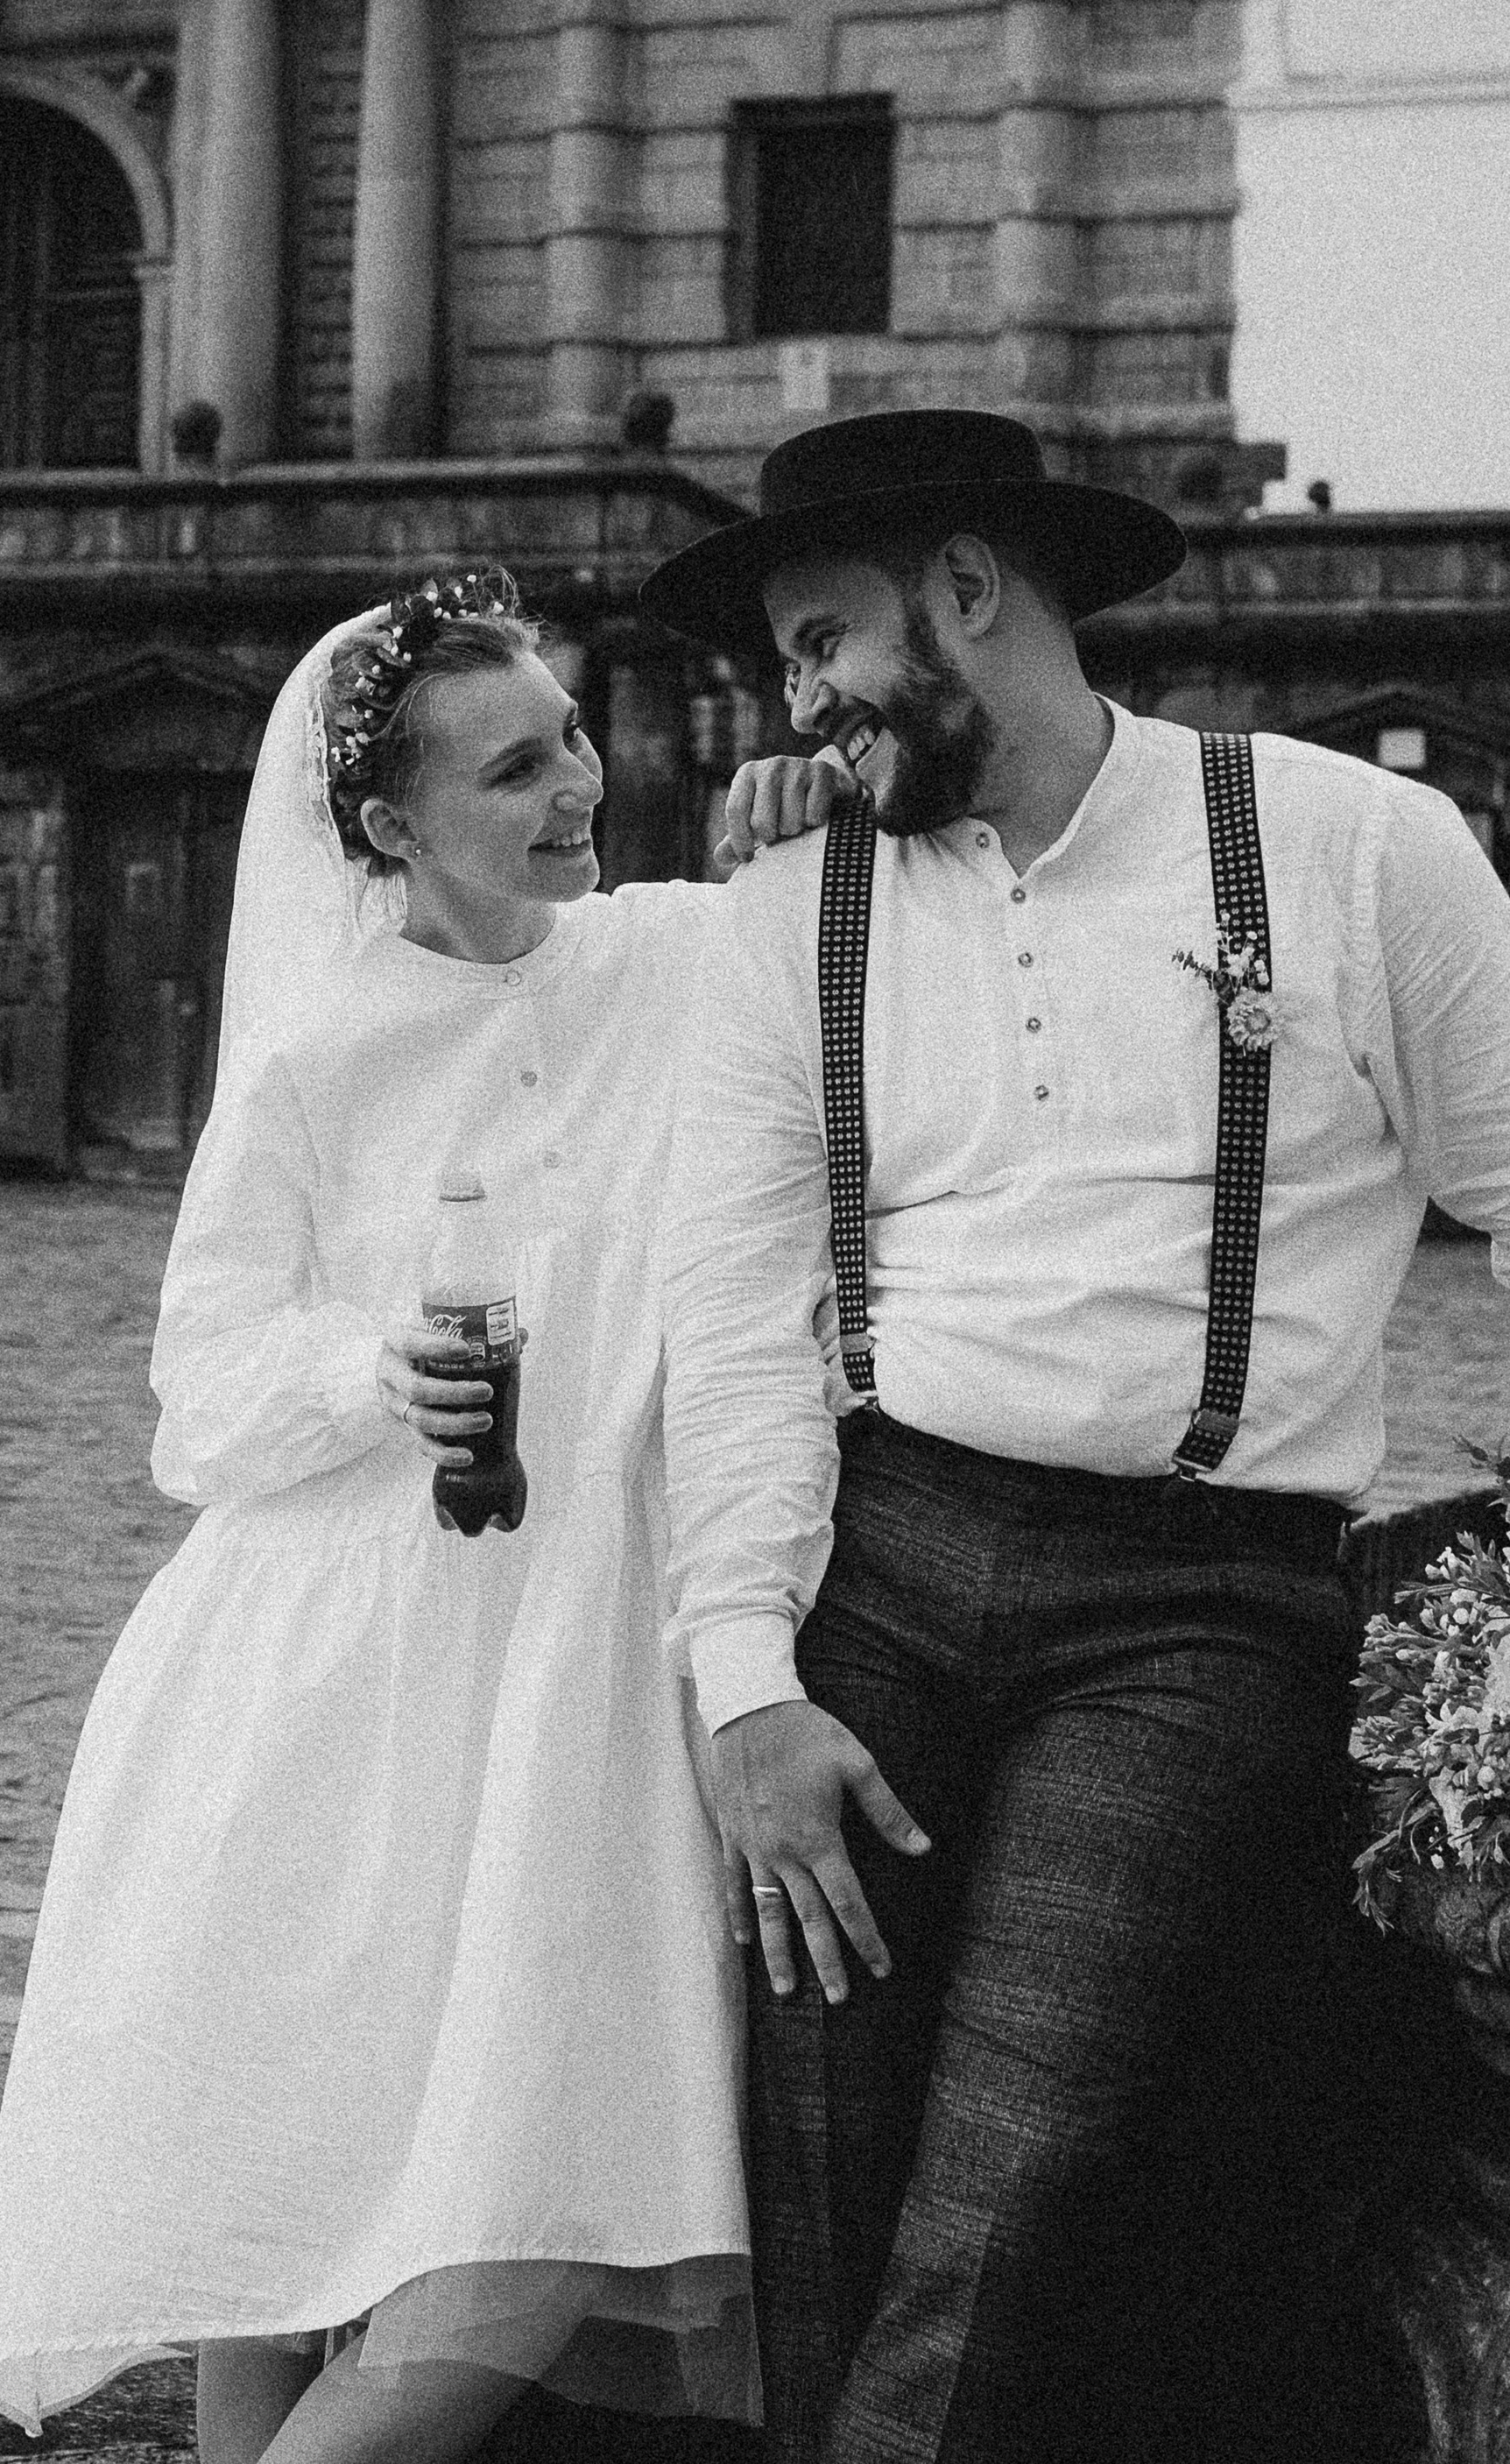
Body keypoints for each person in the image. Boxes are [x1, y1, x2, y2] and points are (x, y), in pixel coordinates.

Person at [640, 407, 1510, 2464]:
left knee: (1012, 2158)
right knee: (813, 2137)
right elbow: (735, 1316)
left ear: (964, 591)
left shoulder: (1350, 848)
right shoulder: (788, 916)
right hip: (879, 1553)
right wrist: (743, 1683)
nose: (795, 704)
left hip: (1193, 1604)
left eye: (821, 641)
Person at [0, 572, 787, 2464]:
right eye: (513, 770)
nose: (577, 784)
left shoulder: (671, 958)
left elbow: (825, 937)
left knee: (535, 2187)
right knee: (287, 2185)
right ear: (392, 826)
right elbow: (201, 1390)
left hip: (576, 1662)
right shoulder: (314, 1050)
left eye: (570, 737)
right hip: (336, 1672)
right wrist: (371, 1370)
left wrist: (797, 825)